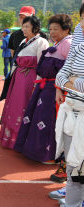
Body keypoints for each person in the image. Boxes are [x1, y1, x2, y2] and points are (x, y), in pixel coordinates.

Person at [14, 14, 72, 163]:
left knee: (48, 120)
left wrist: (60, 88)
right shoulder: (58, 43)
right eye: (51, 29)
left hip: (55, 89)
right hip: (45, 87)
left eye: (56, 29)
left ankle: (49, 155)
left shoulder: (68, 43)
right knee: (39, 119)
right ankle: (38, 151)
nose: (52, 32)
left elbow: (69, 69)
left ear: (66, 30)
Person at [0, 15, 49, 149]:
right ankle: (10, 139)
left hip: (29, 81)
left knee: (23, 109)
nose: (24, 29)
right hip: (18, 79)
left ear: (35, 27)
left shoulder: (41, 42)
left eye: (27, 26)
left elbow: (41, 65)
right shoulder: (23, 42)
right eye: (23, 26)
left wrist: (37, 85)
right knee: (14, 107)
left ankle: (21, 141)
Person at [54, 14, 84, 207]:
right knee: (74, 169)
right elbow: (59, 77)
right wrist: (72, 81)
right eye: (83, 18)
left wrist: (71, 81)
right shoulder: (79, 48)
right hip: (72, 114)